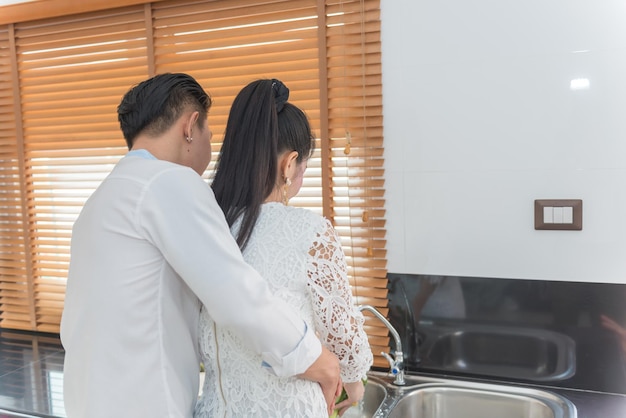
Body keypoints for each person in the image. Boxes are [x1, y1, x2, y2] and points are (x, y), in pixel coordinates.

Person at [60, 73, 342, 418]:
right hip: (145, 404)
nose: (212, 145)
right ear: (190, 126)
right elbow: (238, 296)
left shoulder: (102, 199)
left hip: (87, 400)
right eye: (210, 132)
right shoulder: (171, 183)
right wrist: (317, 360)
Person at [195, 79, 373, 417]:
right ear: (289, 165)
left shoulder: (208, 228)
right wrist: (354, 381)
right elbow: (344, 336)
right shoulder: (311, 232)